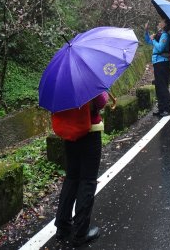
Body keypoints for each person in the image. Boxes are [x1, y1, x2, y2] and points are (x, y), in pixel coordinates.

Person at [55, 91, 115, 246]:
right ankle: (80, 232)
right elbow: (101, 102)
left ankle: (62, 226)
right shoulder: (87, 81)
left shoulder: (62, 84)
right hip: (89, 132)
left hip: (69, 133)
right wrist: (104, 91)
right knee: (87, 180)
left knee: (72, 178)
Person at [145, 19, 170, 118]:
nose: (159, 23)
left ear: (165, 24)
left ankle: (167, 109)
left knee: (162, 87)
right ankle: (161, 109)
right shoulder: (159, 34)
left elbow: (160, 47)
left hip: (162, 63)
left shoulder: (165, 35)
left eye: (161, 22)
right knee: (158, 86)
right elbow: (148, 41)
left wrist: (153, 40)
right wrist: (147, 31)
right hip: (157, 62)